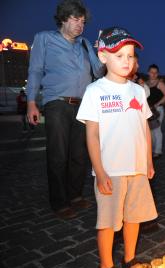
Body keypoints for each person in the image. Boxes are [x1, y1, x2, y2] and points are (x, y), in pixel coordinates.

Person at [76, 27, 157, 268]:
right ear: (103, 57)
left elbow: (144, 126)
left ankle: (129, 257)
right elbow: (92, 135)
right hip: (110, 170)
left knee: (135, 217)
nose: (126, 61)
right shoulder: (95, 91)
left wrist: (149, 160)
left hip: (136, 168)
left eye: (130, 56)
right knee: (108, 221)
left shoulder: (137, 91)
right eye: (119, 55)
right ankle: (106, 267)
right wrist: (99, 171)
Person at [26, 0, 104, 219]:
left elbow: (98, 72)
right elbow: (35, 71)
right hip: (57, 103)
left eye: (83, 21)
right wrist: (31, 101)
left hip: (83, 105)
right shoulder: (44, 39)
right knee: (58, 154)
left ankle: (76, 195)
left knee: (79, 154)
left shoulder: (86, 44)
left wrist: (102, 54)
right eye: (75, 19)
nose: (80, 25)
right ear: (63, 18)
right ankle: (59, 202)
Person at [146, 64, 165, 159]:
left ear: (158, 73)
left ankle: (158, 151)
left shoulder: (160, 83)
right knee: (150, 131)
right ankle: (152, 150)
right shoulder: (146, 83)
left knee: (157, 129)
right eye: (152, 72)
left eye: (155, 73)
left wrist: (157, 104)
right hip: (148, 110)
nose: (153, 74)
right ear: (148, 72)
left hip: (158, 110)